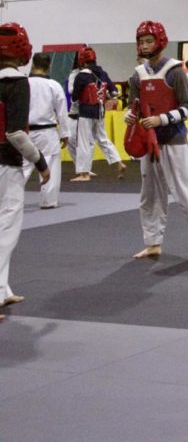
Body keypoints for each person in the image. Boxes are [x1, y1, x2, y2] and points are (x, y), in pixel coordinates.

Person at [125, 21, 188, 260]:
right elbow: (133, 106)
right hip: (149, 143)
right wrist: (131, 115)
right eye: (141, 41)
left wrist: (161, 120)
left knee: (187, 194)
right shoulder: (137, 75)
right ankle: (152, 242)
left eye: (149, 41)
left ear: (160, 41)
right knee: (149, 196)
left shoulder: (176, 71)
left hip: (174, 140)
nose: (145, 46)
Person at [0, 23, 50, 310]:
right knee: (7, 229)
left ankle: (4, 288)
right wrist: (41, 162)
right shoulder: (17, 83)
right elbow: (16, 133)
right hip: (6, 163)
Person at [70, 47, 127, 181]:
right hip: (100, 111)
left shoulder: (82, 75)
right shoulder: (103, 73)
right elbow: (114, 92)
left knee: (83, 141)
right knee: (103, 139)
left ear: (82, 61)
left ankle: (84, 173)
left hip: (86, 111)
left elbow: (75, 97)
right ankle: (119, 162)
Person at [23, 53, 70, 208]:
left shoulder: (23, 84)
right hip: (47, 132)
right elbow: (61, 112)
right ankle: (48, 201)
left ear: (33, 64)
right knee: (50, 163)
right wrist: (65, 133)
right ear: (49, 66)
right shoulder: (54, 85)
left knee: (22, 166)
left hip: (24, 132)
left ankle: (7, 198)